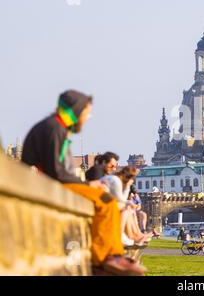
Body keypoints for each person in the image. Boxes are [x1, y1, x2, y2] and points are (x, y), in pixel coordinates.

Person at [21, 90, 144, 275]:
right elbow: (57, 172)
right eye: (86, 113)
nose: (87, 118)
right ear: (76, 111)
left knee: (107, 200)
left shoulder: (56, 127)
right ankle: (104, 257)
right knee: (106, 201)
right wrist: (88, 185)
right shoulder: (55, 129)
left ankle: (112, 253)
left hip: (52, 184)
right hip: (51, 185)